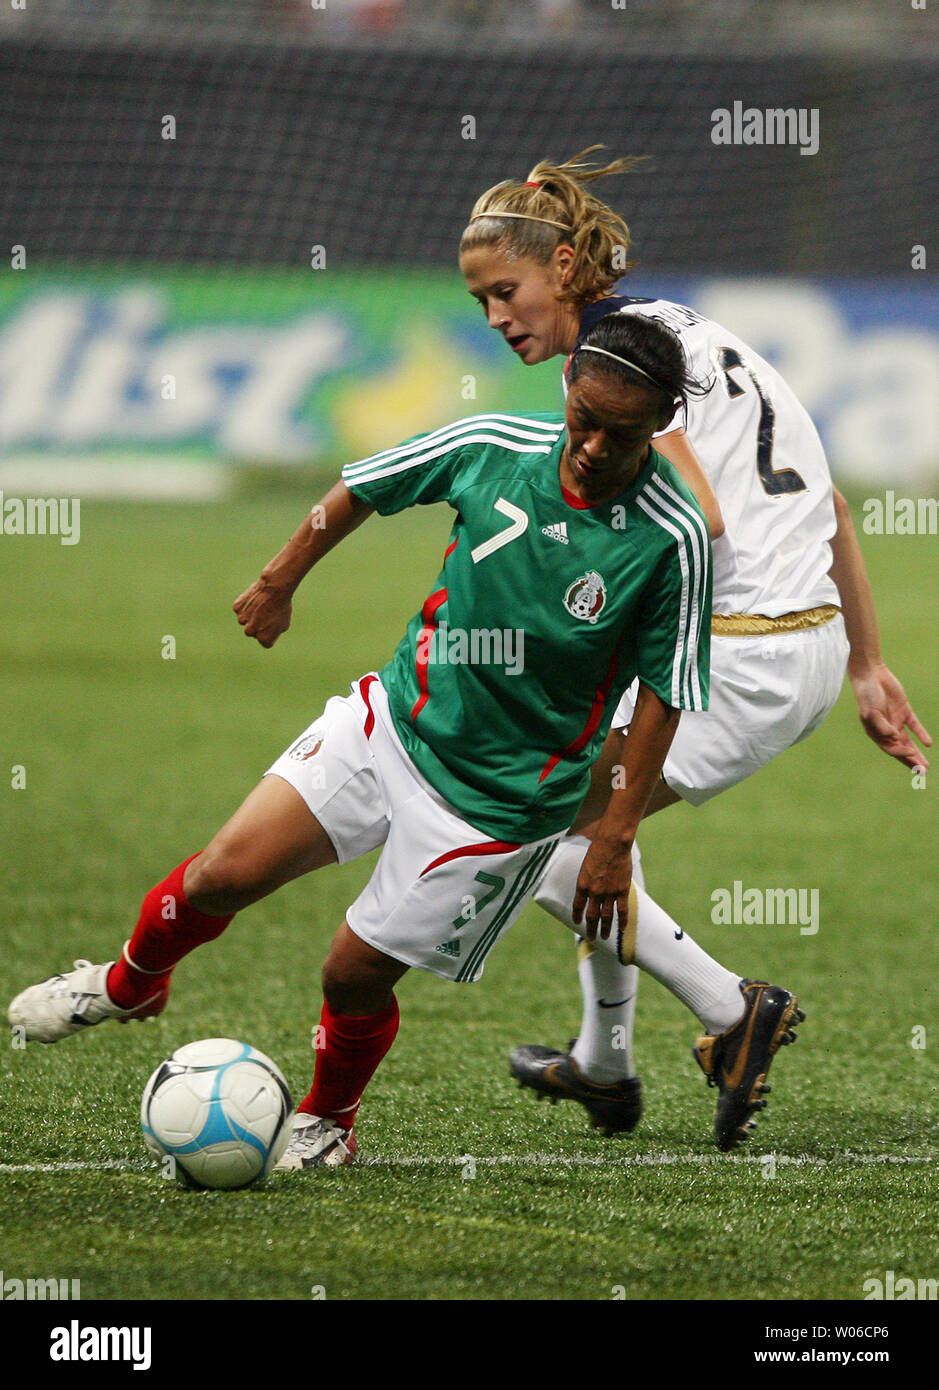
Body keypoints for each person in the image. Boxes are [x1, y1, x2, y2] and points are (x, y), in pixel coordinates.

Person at [8, 313, 715, 1170]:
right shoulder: (492, 443)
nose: (596, 446)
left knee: (350, 975)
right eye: (585, 421)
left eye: (624, 431)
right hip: (392, 724)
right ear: (566, 392)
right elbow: (362, 488)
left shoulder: (671, 538)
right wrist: (277, 582)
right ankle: (127, 983)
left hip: (499, 805)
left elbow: (665, 696)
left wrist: (615, 835)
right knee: (220, 874)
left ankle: (329, 1121)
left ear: (662, 422)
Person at [459, 148, 931, 1151]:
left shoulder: (616, 365)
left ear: (566, 270)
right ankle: (605, 1061)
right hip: (799, 640)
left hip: (746, 649)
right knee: (584, 835)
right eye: (481, 301)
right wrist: (866, 661)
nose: (496, 317)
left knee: (537, 838)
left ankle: (731, 1010)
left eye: (506, 291)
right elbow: (830, 499)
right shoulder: (689, 332)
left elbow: (699, 519)